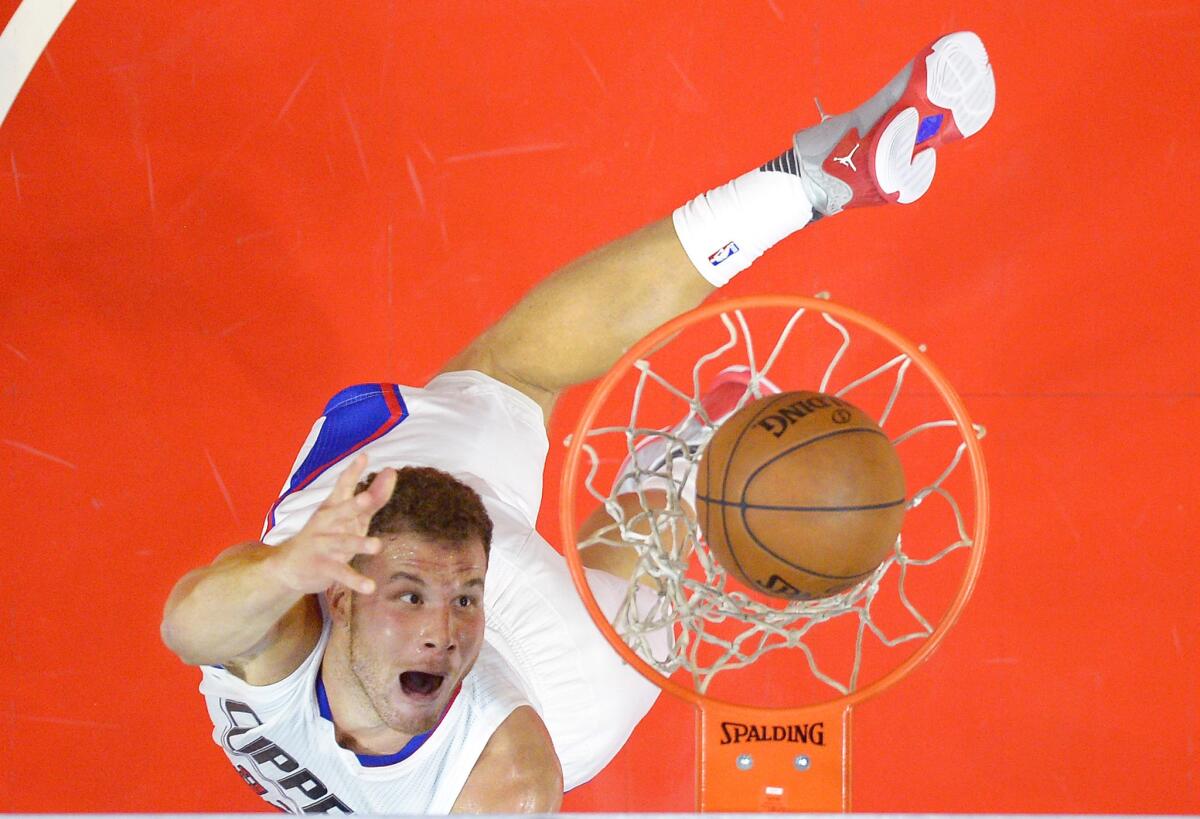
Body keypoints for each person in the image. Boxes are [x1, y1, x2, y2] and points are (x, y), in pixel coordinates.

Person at [161, 31, 995, 813]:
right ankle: (807, 184)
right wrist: (294, 569)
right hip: (559, 686)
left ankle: (705, 447)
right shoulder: (512, 763)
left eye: (456, 602)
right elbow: (200, 622)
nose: (439, 634)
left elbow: (187, 625)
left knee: (579, 479)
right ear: (340, 603)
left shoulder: (294, 643)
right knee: (517, 379)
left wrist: (292, 569)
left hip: (412, 544)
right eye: (414, 599)